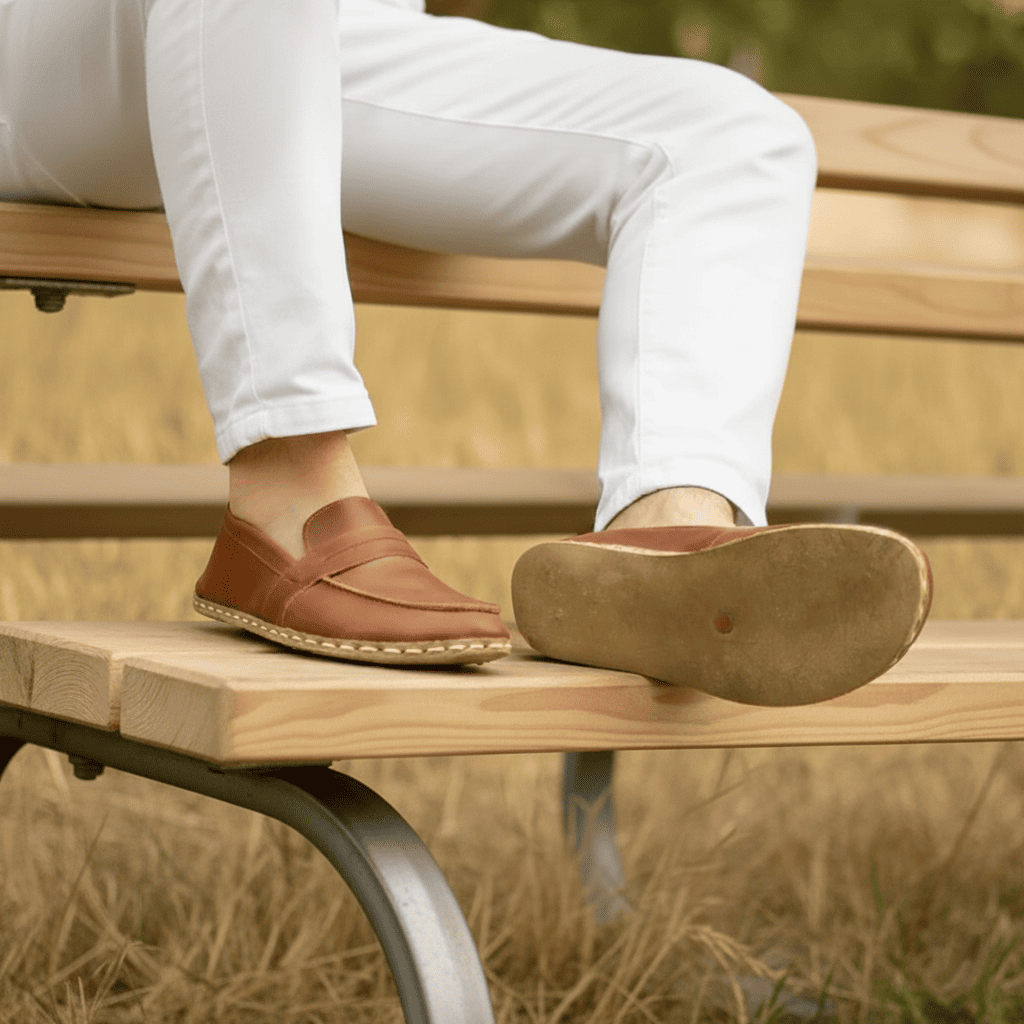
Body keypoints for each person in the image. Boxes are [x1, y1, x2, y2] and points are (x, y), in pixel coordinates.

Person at [0, 0, 932, 706]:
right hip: (54, 52)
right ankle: (290, 486)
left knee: (730, 133)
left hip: (312, 30)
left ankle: (663, 539)